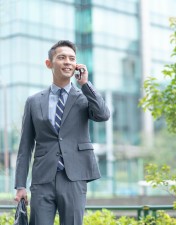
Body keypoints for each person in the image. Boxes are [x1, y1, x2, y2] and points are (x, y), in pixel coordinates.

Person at [14, 40, 110, 225]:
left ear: (76, 65)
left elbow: (103, 114)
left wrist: (85, 84)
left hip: (74, 176)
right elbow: (25, 146)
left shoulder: (83, 97)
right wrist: (20, 185)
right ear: (49, 64)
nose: (67, 62)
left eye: (72, 58)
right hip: (43, 178)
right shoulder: (34, 101)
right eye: (62, 57)